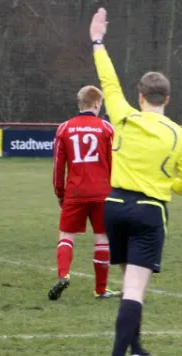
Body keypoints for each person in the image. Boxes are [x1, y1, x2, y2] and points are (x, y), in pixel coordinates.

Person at [89, 8, 182, 356]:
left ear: (140, 96)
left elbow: (108, 79)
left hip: (115, 206)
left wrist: (98, 41)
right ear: (166, 99)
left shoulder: (122, 115)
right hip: (149, 211)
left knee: (127, 285)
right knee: (135, 289)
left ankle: (136, 351)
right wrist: (163, 184)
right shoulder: (178, 134)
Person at [49, 85, 119, 301]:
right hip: (102, 193)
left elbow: (59, 167)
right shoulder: (107, 129)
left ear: (80, 103)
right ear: (97, 103)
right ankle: (100, 289)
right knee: (102, 239)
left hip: (75, 192)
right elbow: (114, 163)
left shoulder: (64, 129)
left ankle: (64, 275)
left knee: (66, 236)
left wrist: (61, 194)